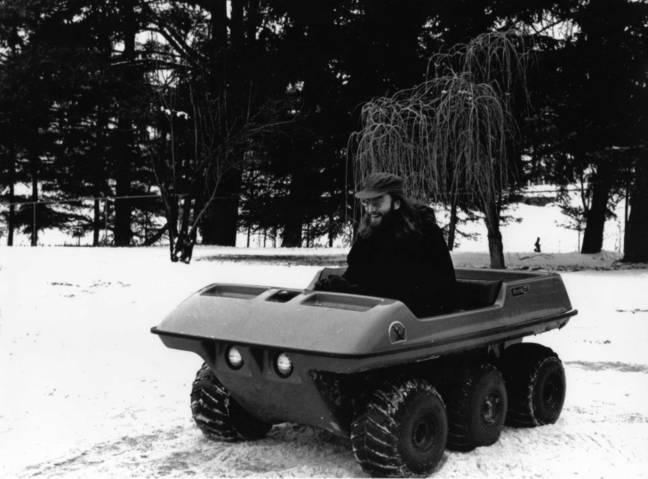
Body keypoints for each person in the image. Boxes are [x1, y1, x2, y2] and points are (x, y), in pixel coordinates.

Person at [316, 172, 456, 316]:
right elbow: (355, 275)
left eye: (377, 203)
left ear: (396, 203)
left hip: (417, 321)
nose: (370, 210)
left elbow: (432, 291)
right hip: (370, 318)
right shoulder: (367, 234)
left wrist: (356, 290)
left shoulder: (424, 234)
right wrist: (339, 286)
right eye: (366, 203)